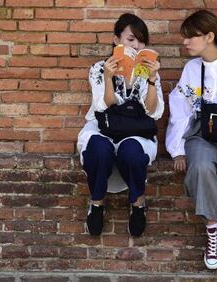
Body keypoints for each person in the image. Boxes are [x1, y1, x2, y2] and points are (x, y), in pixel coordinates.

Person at [166, 9, 217, 282]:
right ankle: (212, 226)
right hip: (203, 137)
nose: (185, 42)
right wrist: (177, 148)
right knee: (202, 166)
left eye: (190, 36)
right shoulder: (192, 69)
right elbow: (180, 108)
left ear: (209, 36)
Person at [77, 13, 164, 237]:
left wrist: (152, 80)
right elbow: (102, 105)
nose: (137, 46)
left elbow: (154, 111)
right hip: (104, 126)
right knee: (99, 148)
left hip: (136, 130)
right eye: (131, 40)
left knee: (131, 152)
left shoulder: (147, 71)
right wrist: (108, 77)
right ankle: (97, 203)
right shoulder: (99, 68)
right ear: (117, 40)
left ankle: (138, 203)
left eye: (141, 41)